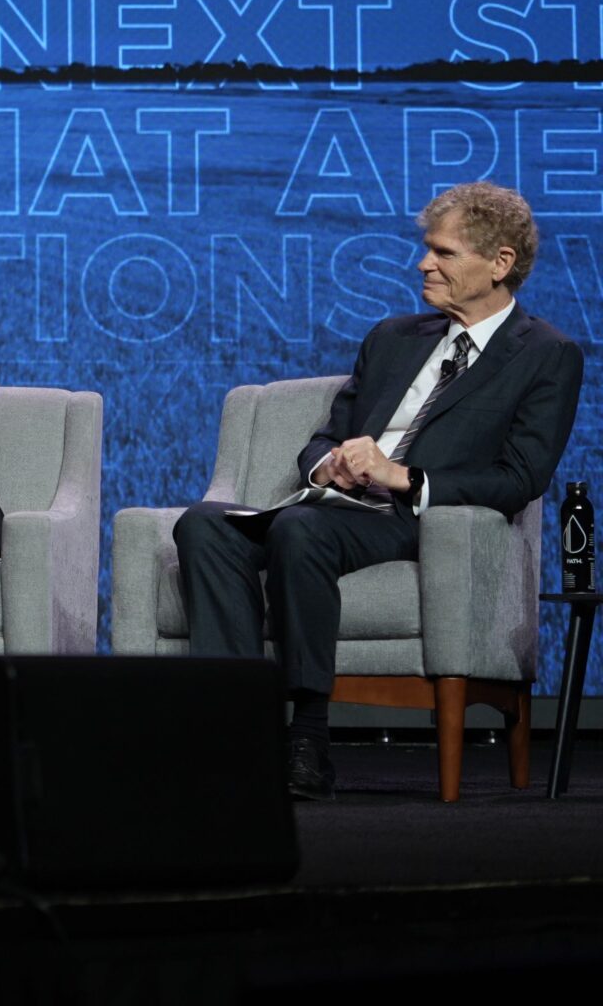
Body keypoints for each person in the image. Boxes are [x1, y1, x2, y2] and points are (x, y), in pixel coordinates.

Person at [171, 181, 583, 800]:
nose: (425, 263)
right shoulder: (393, 337)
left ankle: (307, 737)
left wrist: (402, 476)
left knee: (298, 529)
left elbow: (520, 479)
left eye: (444, 253)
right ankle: (234, 734)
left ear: (500, 264)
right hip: (332, 506)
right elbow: (324, 437)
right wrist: (327, 466)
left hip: (415, 519)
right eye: (427, 249)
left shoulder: (547, 356)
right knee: (203, 524)